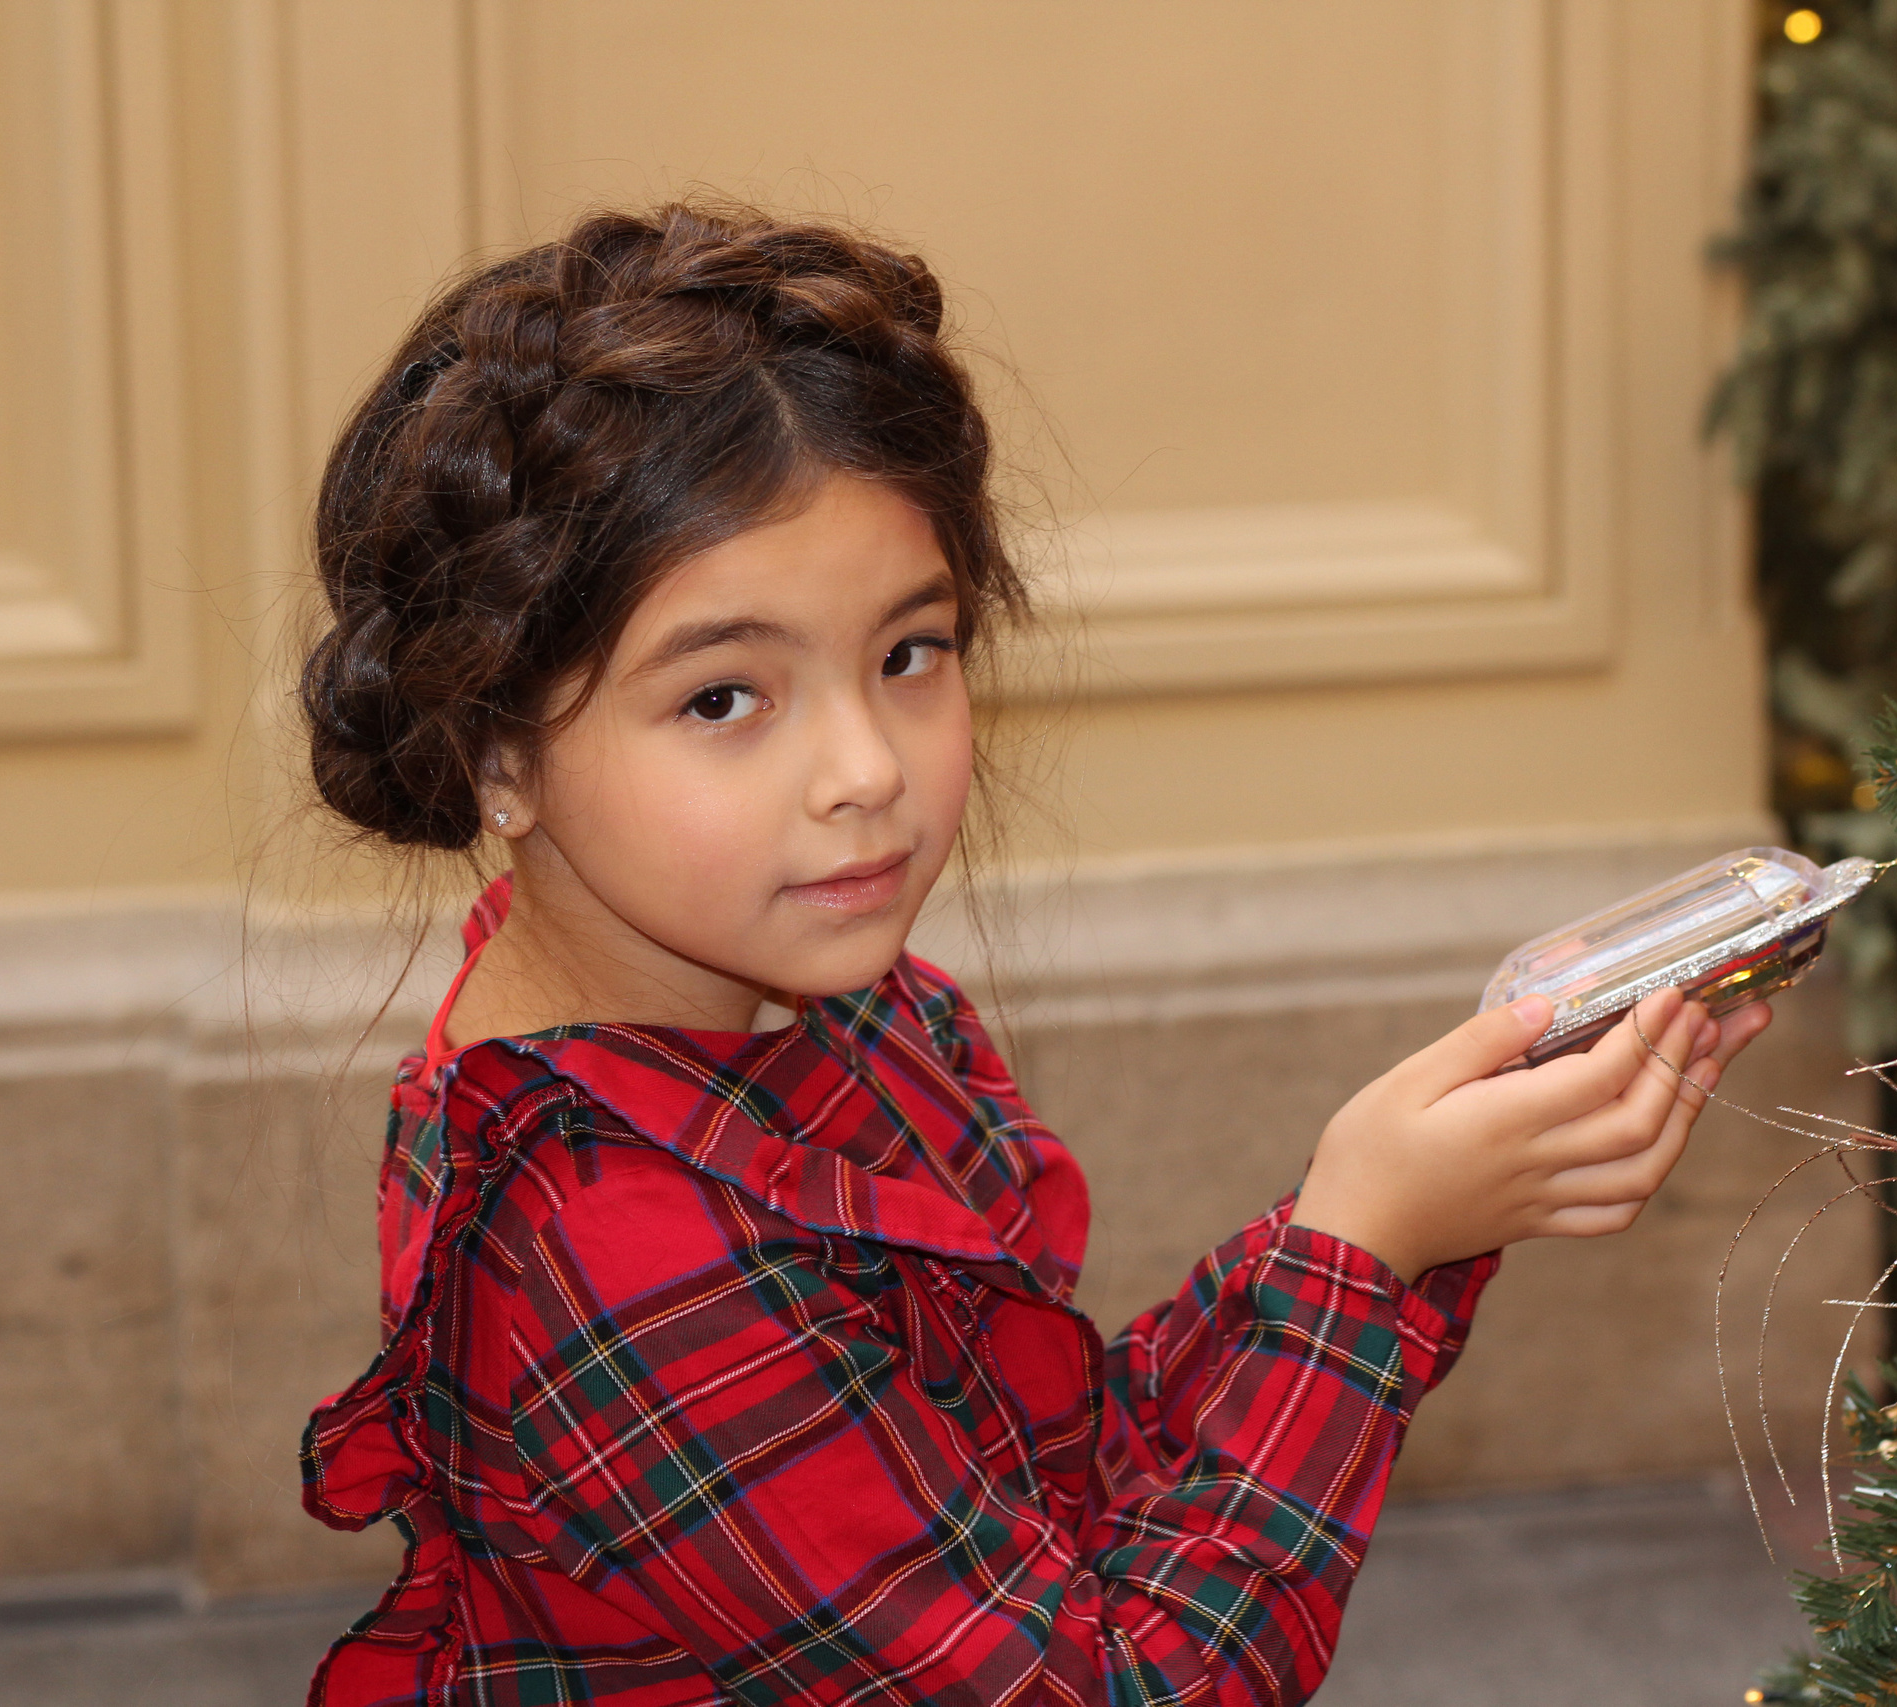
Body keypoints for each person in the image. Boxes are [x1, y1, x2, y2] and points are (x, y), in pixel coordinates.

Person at [296, 203, 1770, 1707]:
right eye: (726, 700)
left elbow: (1045, 1491)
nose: (865, 768)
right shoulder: (605, 1237)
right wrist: (1364, 1252)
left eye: (908, 655)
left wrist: (1387, 1214)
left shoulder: (786, 1003)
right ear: (498, 750)